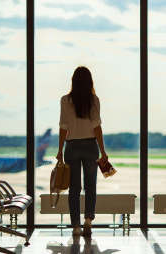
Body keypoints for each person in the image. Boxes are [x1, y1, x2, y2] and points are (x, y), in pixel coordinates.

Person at [56, 66, 108, 236]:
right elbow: (96, 127)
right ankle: (88, 220)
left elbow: (63, 127)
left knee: (74, 188)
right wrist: (103, 151)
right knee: (91, 185)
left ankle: (76, 226)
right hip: (90, 146)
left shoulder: (65, 100)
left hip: (71, 146)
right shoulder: (94, 100)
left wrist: (60, 150)